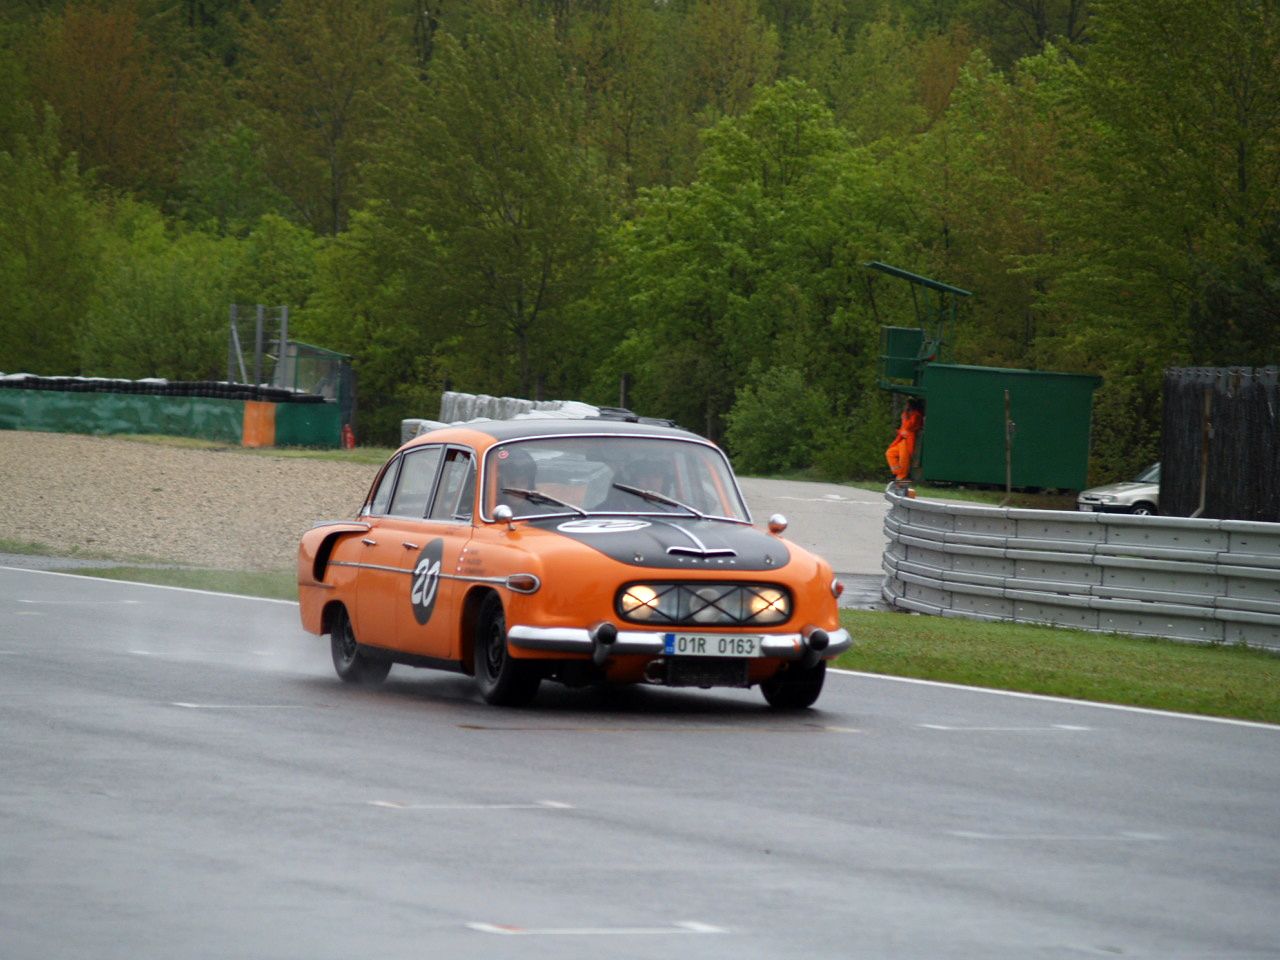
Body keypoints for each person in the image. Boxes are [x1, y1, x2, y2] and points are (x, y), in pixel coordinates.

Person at [885, 397, 924, 482]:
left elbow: (908, 426)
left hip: (908, 440)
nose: (905, 406)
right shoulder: (906, 414)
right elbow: (903, 428)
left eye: (906, 405)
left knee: (904, 460)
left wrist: (905, 417)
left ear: (910, 406)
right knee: (890, 453)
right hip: (902, 440)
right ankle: (897, 473)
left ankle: (901, 477)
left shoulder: (916, 415)